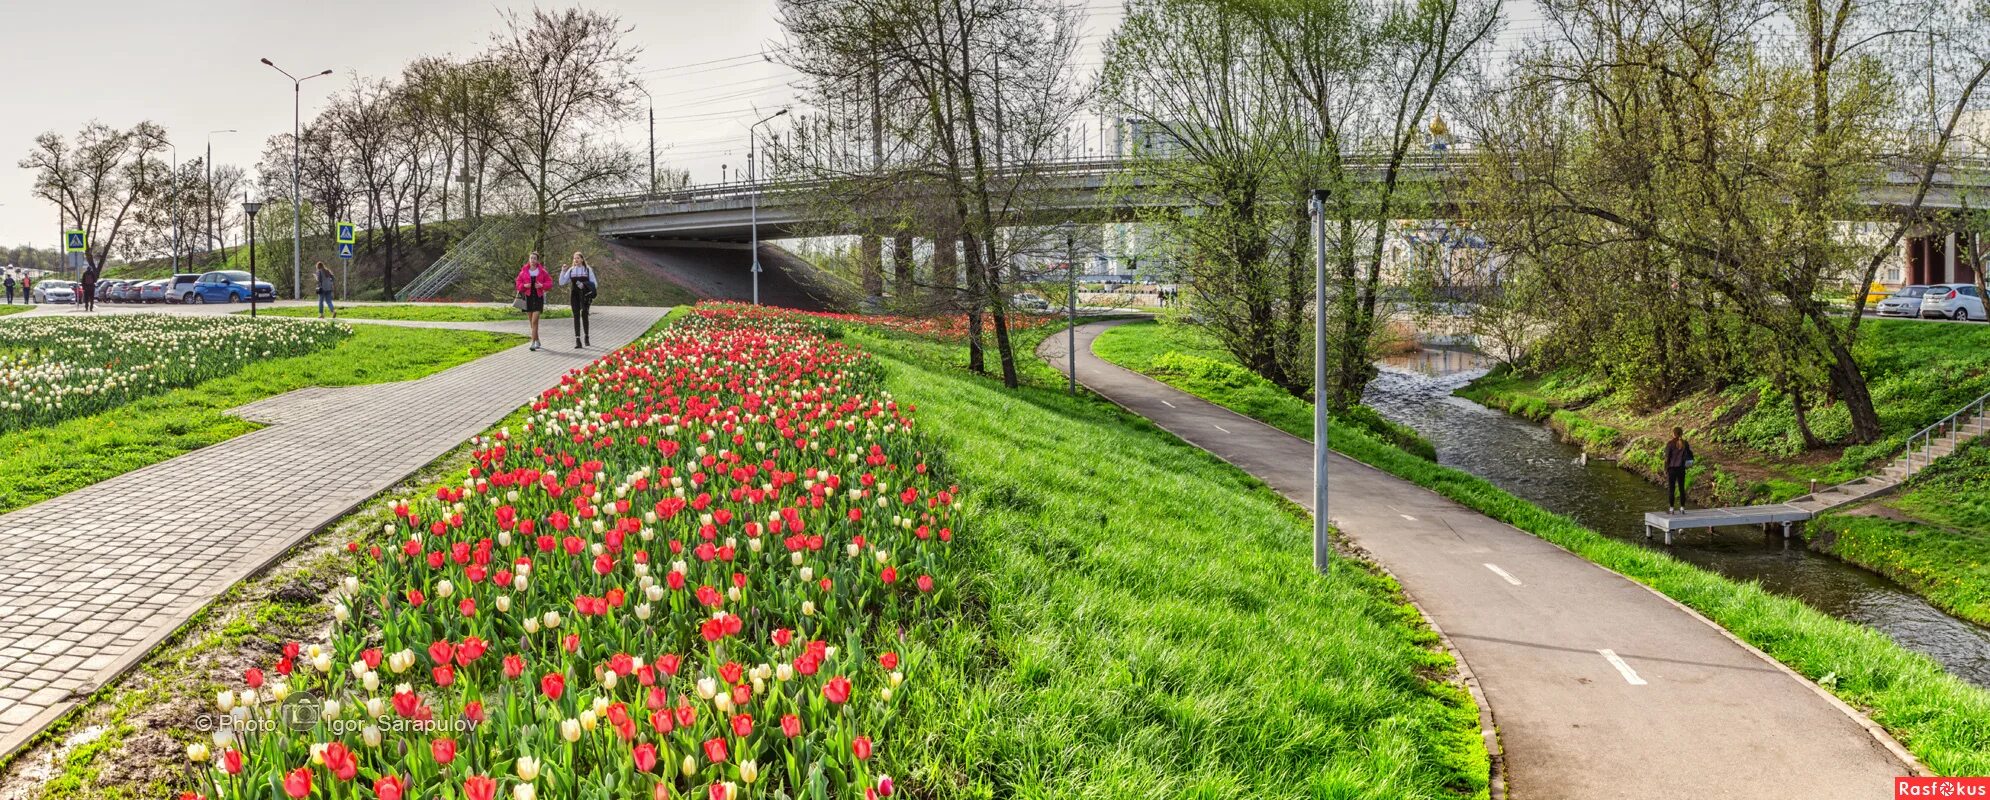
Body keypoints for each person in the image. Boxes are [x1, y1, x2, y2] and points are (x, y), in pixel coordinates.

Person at [559, 251, 598, 349]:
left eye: (578, 258)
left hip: (585, 295)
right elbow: (562, 282)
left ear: (582, 259)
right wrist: (563, 271)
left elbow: (594, 284)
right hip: (574, 295)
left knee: (584, 314)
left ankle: (586, 337)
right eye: (574, 258)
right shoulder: (571, 270)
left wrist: (584, 285)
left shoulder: (587, 270)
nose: (575, 260)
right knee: (576, 315)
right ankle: (577, 340)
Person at [514, 252, 553, 351]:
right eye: (531, 258)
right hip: (528, 298)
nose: (532, 260)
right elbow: (518, 283)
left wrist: (541, 285)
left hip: (538, 297)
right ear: (529, 259)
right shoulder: (523, 272)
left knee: (535, 321)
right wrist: (524, 286)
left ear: (537, 260)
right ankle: (537, 340)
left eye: (534, 258)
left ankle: (532, 343)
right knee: (531, 322)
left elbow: (549, 283)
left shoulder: (542, 272)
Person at [1664, 426, 1695, 514]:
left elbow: (1667, 458)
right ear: (1681, 434)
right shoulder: (1685, 443)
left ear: (1673, 434)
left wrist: (1665, 468)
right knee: (1681, 489)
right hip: (1681, 469)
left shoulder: (1670, 443)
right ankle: (1682, 508)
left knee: (1671, 489)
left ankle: (1671, 509)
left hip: (1672, 469)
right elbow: (1689, 454)